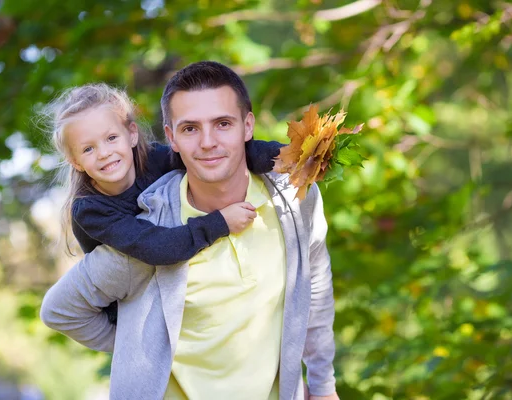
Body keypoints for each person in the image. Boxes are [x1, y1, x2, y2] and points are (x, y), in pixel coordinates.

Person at [41, 61, 338, 400]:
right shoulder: (139, 234)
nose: (208, 142)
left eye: (223, 124)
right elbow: (60, 310)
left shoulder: (293, 201)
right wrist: (141, 345)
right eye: (191, 129)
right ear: (173, 138)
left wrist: (299, 158)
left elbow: (316, 285)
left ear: (247, 125)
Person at [42, 83, 282, 323]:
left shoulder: (155, 159)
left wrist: (283, 156)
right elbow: (156, 246)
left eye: (112, 138)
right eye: (88, 149)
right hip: (139, 305)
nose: (104, 153)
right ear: (76, 162)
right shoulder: (90, 210)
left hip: (181, 273)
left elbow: (213, 156)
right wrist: (220, 222)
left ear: (132, 135)